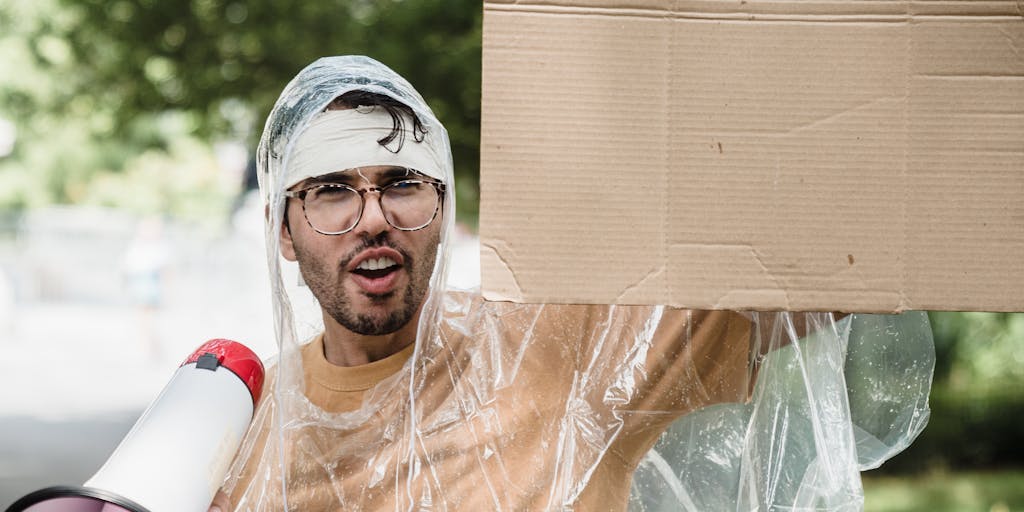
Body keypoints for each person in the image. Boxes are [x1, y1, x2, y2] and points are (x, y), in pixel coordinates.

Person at [209, 56, 933, 511]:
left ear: (442, 209)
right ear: (283, 229)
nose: (373, 218)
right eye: (332, 190)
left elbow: (833, 257)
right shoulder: (233, 435)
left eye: (402, 183)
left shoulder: (557, 351)